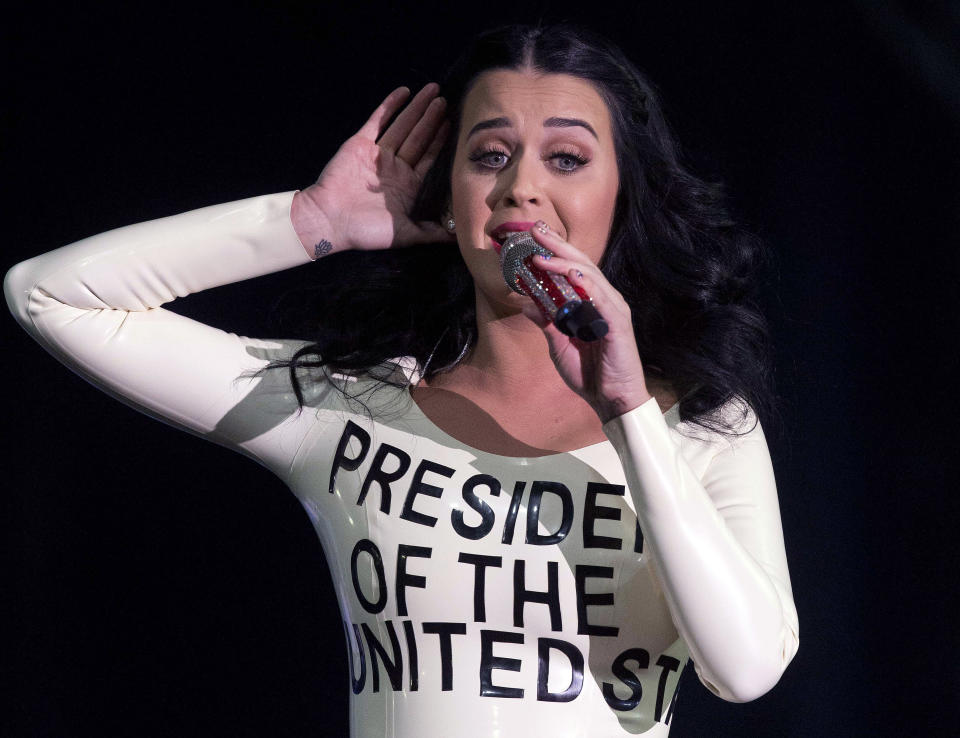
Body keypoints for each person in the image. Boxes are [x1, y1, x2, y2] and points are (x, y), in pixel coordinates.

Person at [5, 22, 798, 738]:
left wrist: (627, 410)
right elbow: (48, 296)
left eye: (566, 158)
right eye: (490, 154)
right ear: (450, 198)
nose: (522, 185)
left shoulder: (697, 426)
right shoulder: (349, 406)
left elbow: (746, 668)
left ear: (621, 198)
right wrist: (313, 221)